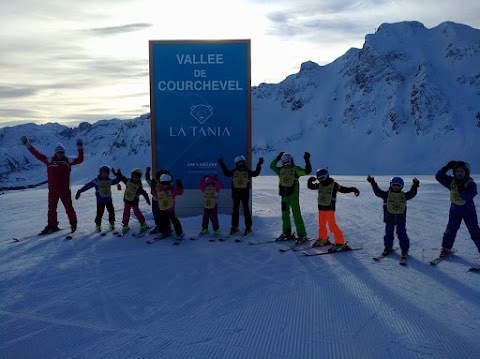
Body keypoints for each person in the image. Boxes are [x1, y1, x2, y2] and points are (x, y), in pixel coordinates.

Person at [20, 136, 84, 234]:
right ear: (56, 152)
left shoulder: (68, 161)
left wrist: (80, 147)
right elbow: (37, 154)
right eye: (59, 152)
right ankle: (52, 225)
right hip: (53, 190)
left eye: (62, 152)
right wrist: (27, 144)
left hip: (65, 190)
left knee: (69, 208)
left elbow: (80, 159)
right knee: (51, 209)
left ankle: (73, 224)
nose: (60, 154)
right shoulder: (50, 160)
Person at [307, 168, 360, 251]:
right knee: (321, 224)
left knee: (332, 226)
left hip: (330, 209)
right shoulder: (320, 185)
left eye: (322, 178)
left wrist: (353, 189)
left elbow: (343, 189)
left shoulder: (334, 185)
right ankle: (323, 238)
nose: (321, 180)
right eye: (319, 178)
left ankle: (340, 243)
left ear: (326, 176)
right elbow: (311, 186)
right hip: (321, 208)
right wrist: (310, 180)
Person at [367, 175, 419, 259]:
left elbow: (412, 193)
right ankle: (388, 247)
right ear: (391, 185)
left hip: (400, 220)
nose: (396, 187)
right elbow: (377, 192)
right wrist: (373, 183)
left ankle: (404, 249)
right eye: (394, 185)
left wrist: (415, 186)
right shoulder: (386, 195)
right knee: (388, 234)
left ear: (402, 186)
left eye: (398, 185)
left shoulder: (404, 196)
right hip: (389, 219)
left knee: (401, 234)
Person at [435, 160, 480, 257]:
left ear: (466, 172)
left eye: (462, 171)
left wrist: (462, 190)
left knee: (474, 230)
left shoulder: (470, 182)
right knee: (451, 229)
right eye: (457, 171)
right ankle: (446, 249)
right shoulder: (452, 181)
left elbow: (471, 194)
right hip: (455, 209)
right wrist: (446, 167)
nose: (460, 173)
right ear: (454, 172)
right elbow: (438, 177)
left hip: (468, 210)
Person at [270, 151, 312, 243]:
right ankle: (287, 233)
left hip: (292, 196)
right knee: (286, 215)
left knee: (295, 214)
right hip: (284, 196)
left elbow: (307, 171)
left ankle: (302, 235)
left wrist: (307, 160)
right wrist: (307, 160)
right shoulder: (282, 170)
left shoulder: (294, 169)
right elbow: (272, 166)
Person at [218, 155, 263, 235]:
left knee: (246, 210)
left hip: (244, 195)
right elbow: (226, 173)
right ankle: (235, 227)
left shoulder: (246, 171)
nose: (241, 165)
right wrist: (222, 164)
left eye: (242, 163)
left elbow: (255, 173)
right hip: (236, 195)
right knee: (236, 211)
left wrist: (259, 164)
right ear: (237, 164)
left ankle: (248, 227)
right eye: (239, 163)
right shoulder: (235, 171)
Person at [75, 165, 122, 232]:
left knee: (111, 212)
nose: (105, 174)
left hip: (108, 200)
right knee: (100, 213)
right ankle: (98, 225)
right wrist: (80, 191)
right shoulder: (96, 181)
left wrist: (119, 176)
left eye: (106, 172)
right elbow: (88, 186)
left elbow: (115, 181)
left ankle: (112, 224)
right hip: (100, 201)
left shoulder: (109, 181)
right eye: (103, 172)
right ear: (100, 172)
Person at [114, 168, 151, 233]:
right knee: (126, 212)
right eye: (134, 177)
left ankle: (143, 224)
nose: (135, 178)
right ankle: (125, 225)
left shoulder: (139, 186)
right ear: (132, 176)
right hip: (127, 200)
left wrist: (147, 200)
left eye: (137, 177)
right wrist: (119, 174)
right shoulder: (128, 181)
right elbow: (122, 178)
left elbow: (144, 192)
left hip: (134, 201)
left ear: (139, 177)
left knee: (136, 212)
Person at [152, 173, 184, 239]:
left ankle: (179, 233)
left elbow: (180, 192)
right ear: (161, 183)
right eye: (164, 184)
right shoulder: (160, 190)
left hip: (170, 210)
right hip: (162, 209)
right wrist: (153, 186)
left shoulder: (172, 190)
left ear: (170, 183)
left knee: (174, 221)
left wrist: (179, 186)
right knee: (163, 221)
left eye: (167, 183)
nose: (166, 185)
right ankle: (164, 232)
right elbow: (154, 193)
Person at [145, 167, 172, 234]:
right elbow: (148, 181)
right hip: (155, 201)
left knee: (164, 215)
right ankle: (158, 226)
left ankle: (167, 227)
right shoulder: (154, 182)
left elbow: (171, 183)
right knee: (156, 214)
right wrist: (147, 174)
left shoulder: (166, 183)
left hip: (163, 202)